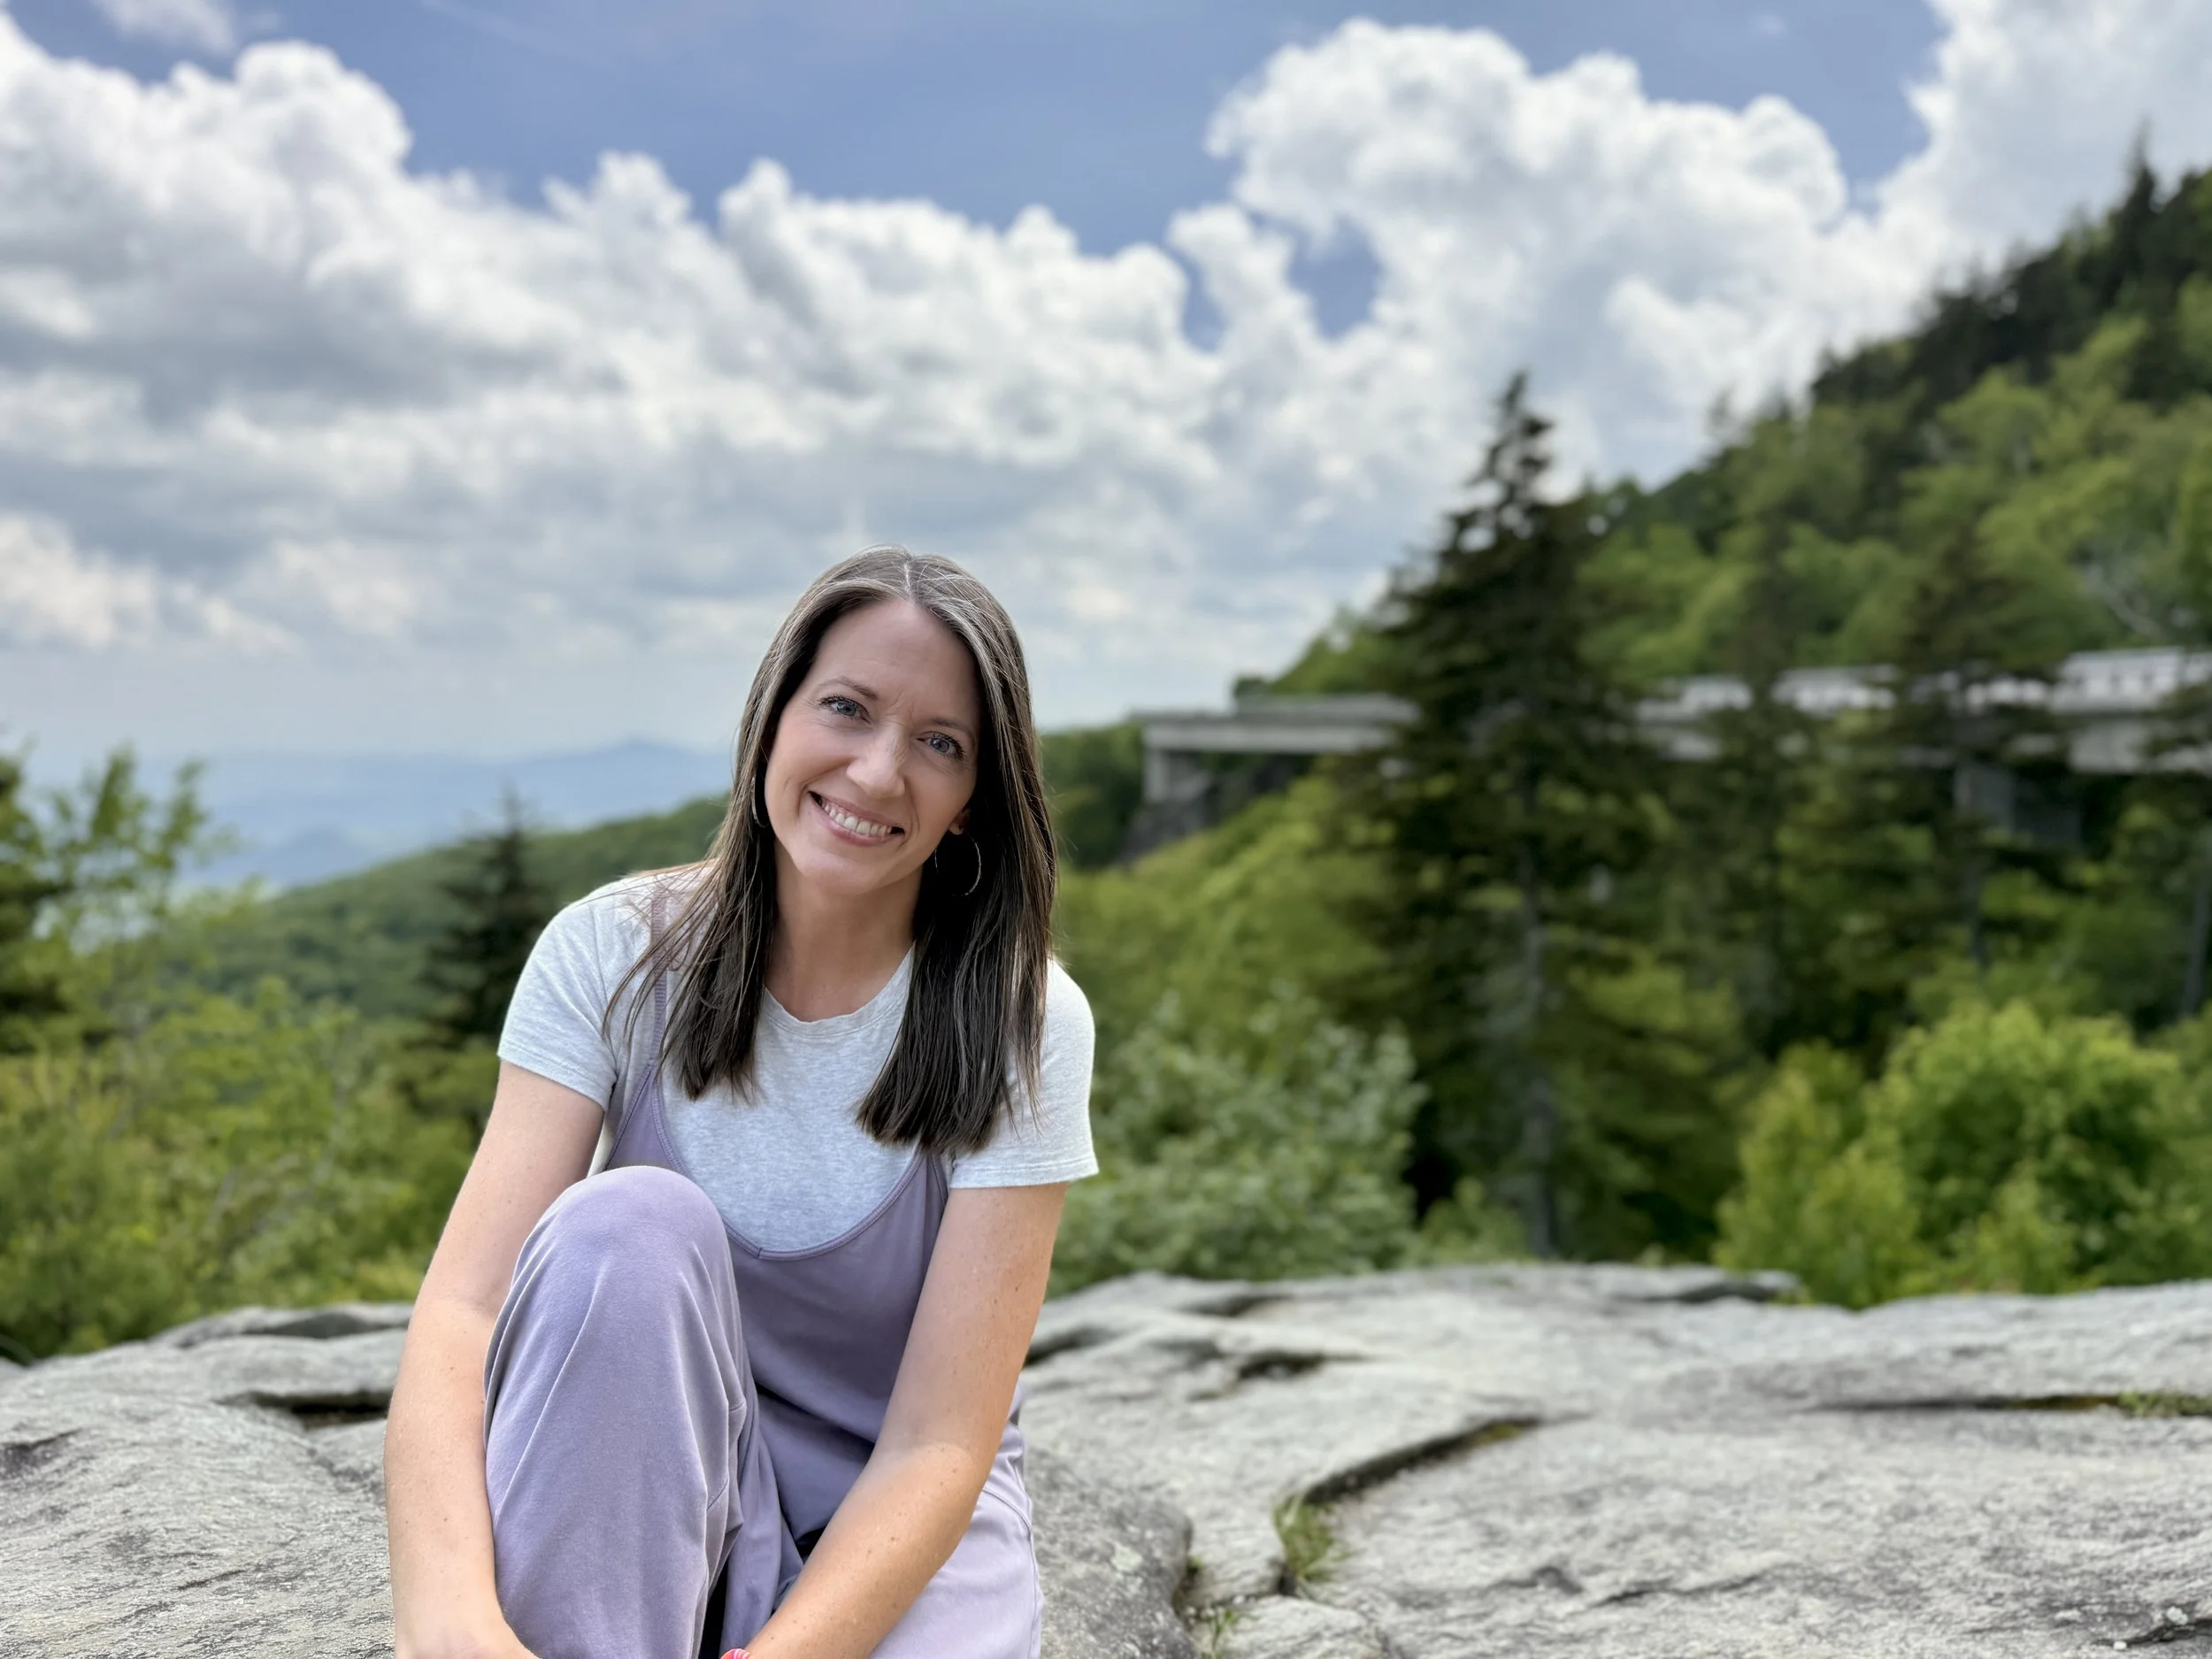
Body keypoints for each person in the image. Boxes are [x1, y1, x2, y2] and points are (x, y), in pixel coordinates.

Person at [383, 546, 1096, 1659]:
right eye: (846, 708)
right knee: (625, 1222)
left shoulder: (1024, 1024)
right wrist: (453, 1620)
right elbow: (465, 1314)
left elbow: (938, 1444)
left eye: (939, 744)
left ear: (972, 804)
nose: (876, 773)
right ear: (772, 718)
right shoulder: (611, 954)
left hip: (899, 1534)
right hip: (646, 1485)